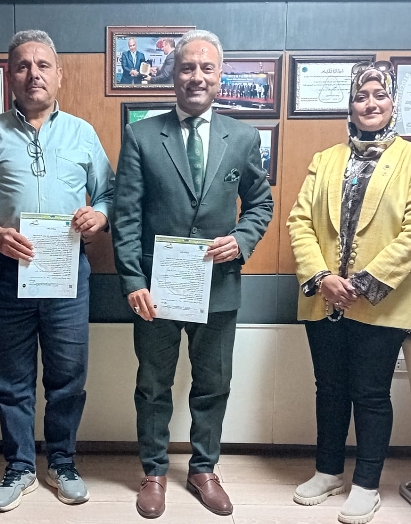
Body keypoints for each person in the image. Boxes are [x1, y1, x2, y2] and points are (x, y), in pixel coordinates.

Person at [0, 29, 114, 512]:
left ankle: (62, 462)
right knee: (10, 380)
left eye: (43, 65)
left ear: (60, 75)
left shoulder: (82, 132)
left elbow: (109, 193)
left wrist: (99, 216)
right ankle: (19, 467)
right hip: (6, 272)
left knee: (67, 377)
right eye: (23, 65)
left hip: (67, 273)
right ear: (10, 76)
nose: (33, 74)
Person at [112, 29, 274, 519]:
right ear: (173, 75)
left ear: (220, 76)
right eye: (187, 67)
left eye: (206, 68)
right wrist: (133, 281)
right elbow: (126, 215)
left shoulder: (242, 137)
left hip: (218, 286)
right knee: (153, 385)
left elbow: (260, 204)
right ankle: (154, 472)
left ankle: (204, 469)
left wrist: (241, 239)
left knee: (213, 383)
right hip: (156, 291)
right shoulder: (142, 135)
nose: (196, 76)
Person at [287, 61, 411, 524]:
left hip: (382, 302)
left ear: (394, 102)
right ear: (350, 105)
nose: (370, 104)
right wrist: (321, 277)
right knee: (329, 390)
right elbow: (299, 222)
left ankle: (367, 484)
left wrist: (361, 284)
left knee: (371, 394)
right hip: (323, 298)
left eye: (379, 95)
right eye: (360, 96)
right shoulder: (325, 159)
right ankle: (328, 471)